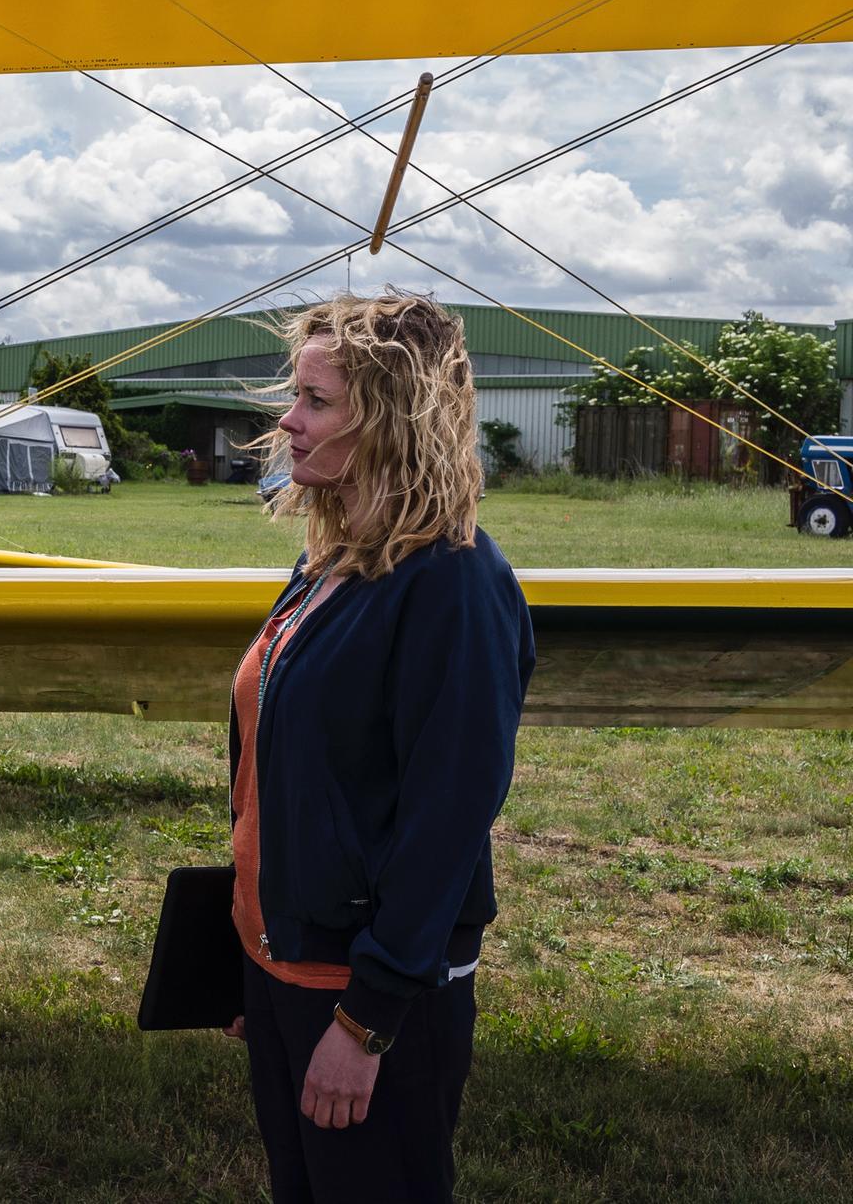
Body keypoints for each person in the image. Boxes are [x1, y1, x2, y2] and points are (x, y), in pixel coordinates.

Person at [221, 293, 534, 1203]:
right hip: (287, 968)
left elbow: (447, 821)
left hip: (363, 994)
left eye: (316, 401)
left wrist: (365, 1023)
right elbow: (275, 766)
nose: (288, 419)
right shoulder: (330, 562)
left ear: (392, 420)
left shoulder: (455, 581)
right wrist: (256, 952)